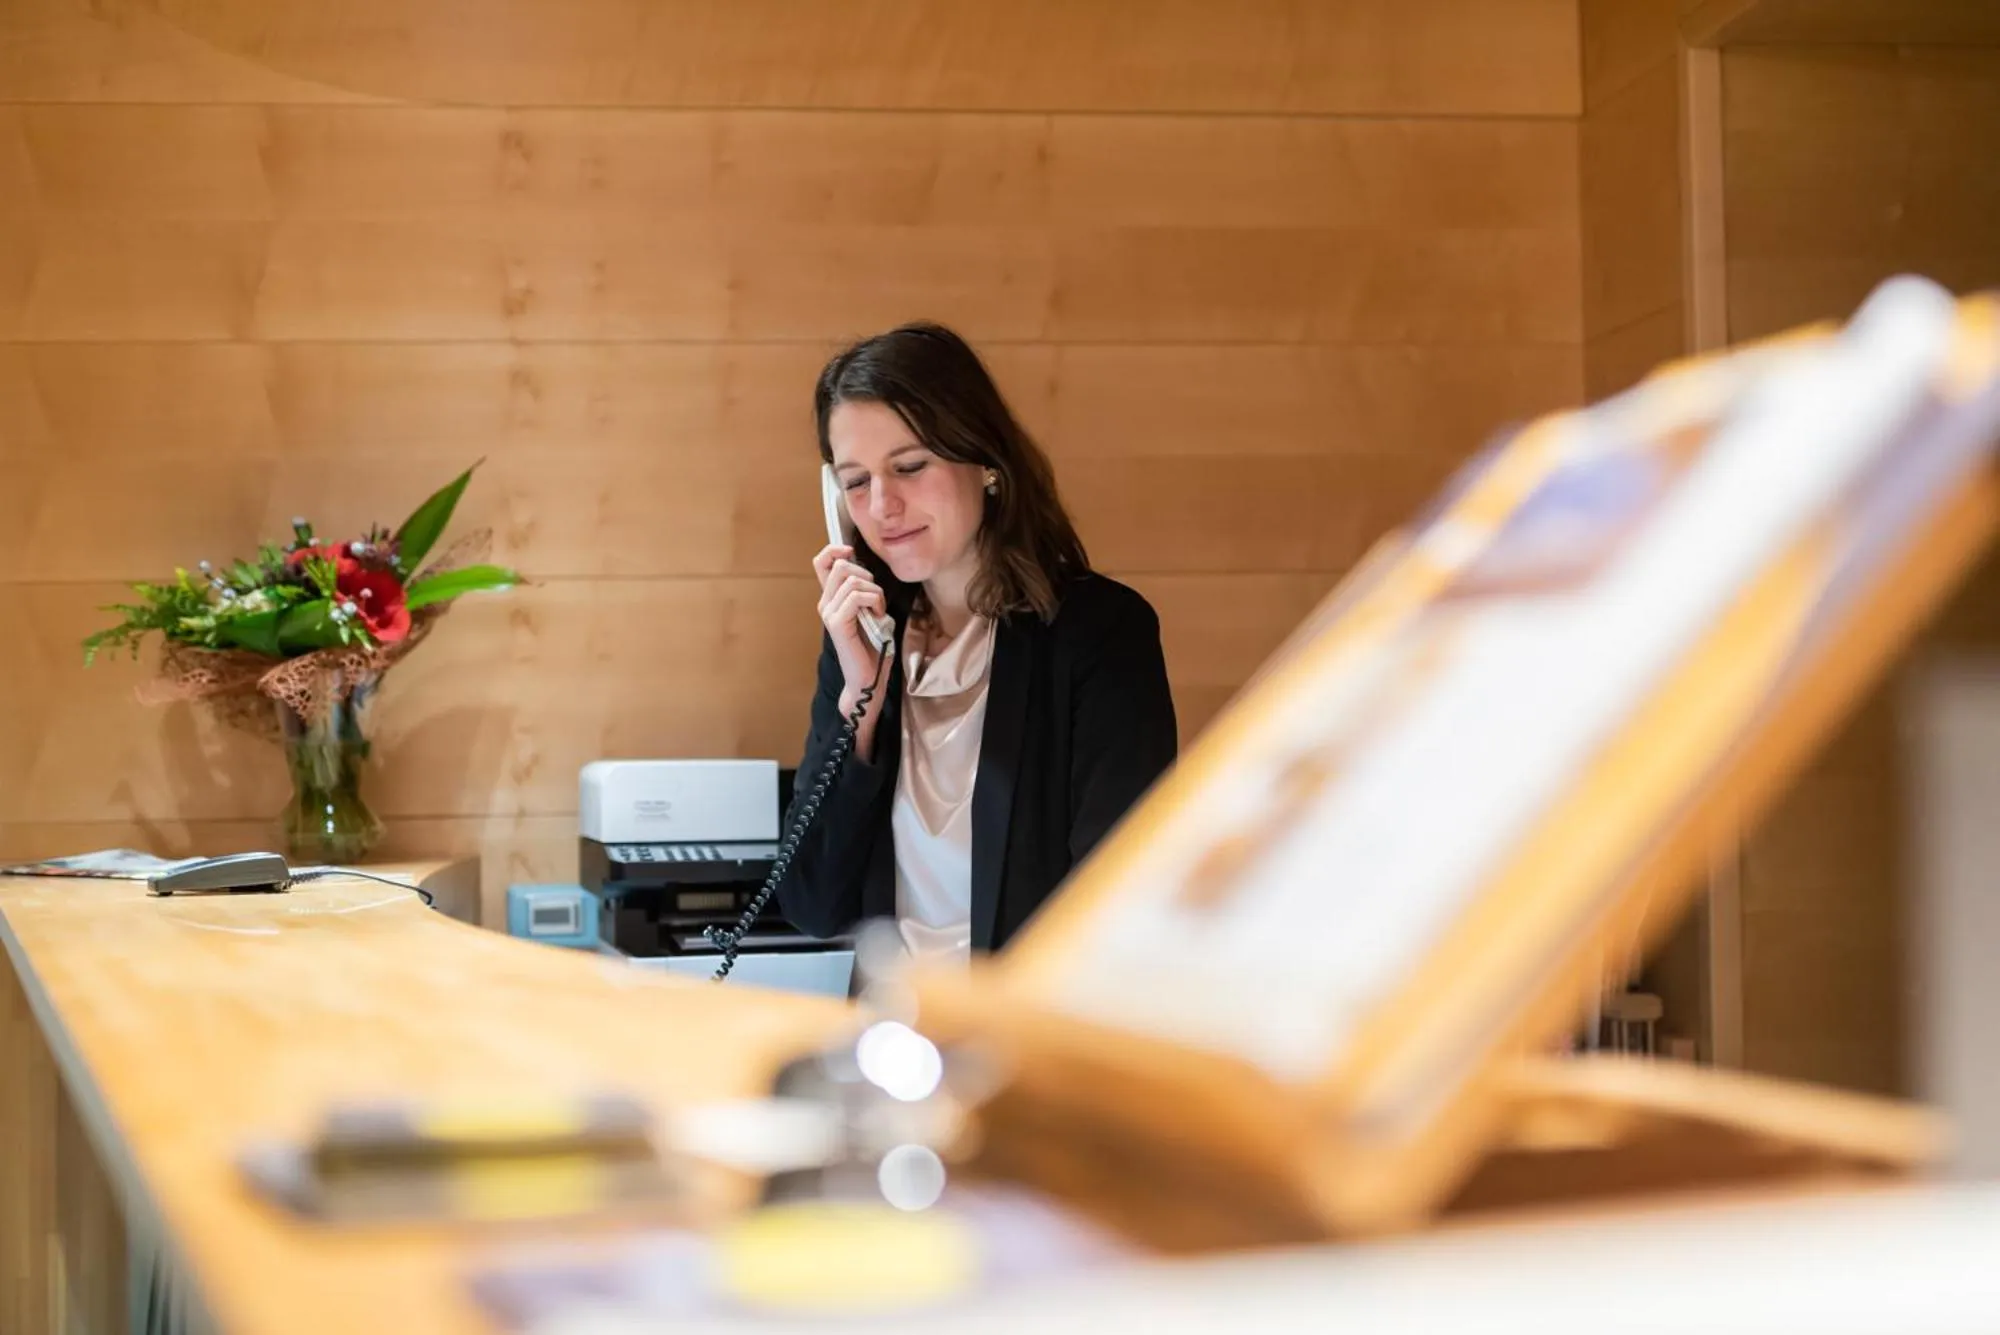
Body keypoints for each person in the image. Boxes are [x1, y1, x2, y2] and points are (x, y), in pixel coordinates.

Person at [774, 321, 1179, 964]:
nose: (881, 506)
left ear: (984, 461)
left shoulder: (1100, 633)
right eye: (855, 481)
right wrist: (861, 702)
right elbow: (811, 902)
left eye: (909, 467)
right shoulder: (864, 639)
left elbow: (1117, 900)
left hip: (1023, 1019)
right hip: (896, 1019)